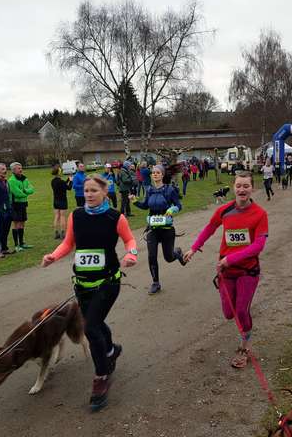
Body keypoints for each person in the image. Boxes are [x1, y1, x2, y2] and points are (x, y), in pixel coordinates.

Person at [41, 174, 138, 411]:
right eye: (86, 191)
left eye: (94, 190)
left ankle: (101, 378)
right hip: (82, 284)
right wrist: (53, 256)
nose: (89, 194)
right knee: (96, 322)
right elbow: (68, 243)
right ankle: (111, 350)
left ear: (105, 192)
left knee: (91, 327)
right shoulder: (76, 216)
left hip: (107, 283)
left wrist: (131, 254)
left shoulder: (115, 217)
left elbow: (130, 240)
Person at [183, 171, 268, 369]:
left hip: (248, 270)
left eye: (246, 186)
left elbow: (258, 246)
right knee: (229, 313)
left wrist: (231, 258)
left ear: (252, 188)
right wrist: (194, 248)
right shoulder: (224, 210)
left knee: (241, 310)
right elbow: (210, 228)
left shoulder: (260, 214)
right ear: (233, 187)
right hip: (226, 272)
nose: (242, 189)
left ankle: (244, 347)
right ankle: (243, 330)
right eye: (238, 186)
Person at [131, 165, 186, 294]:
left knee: (169, 258)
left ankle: (177, 253)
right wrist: (135, 201)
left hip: (167, 229)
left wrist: (173, 209)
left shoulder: (169, 190)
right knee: (151, 256)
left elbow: (179, 205)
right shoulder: (149, 190)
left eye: (157, 172)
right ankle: (156, 283)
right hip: (153, 229)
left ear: (162, 175)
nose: (155, 174)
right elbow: (145, 206)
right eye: (153, 173)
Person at [8, 162, 35, 251]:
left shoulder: (24, 178)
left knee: (23, 223)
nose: (21, 169)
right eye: (18, 168)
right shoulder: (11, 180)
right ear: (13, 170)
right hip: (15, 204)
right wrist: (26, 192)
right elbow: (17, 193)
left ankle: (22, 243)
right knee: (16, 224)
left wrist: (25, 191)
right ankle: (16, 245)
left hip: (23, 203)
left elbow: (32, 189)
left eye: (21, 168)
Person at [51, 166, 72, 239]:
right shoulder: (61, 182)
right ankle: (63, 233)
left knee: (56, 216)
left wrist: (68, 180)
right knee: (63, 216)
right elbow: (69, 188)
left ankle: (56, 232)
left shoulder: (53, 181)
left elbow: (63, 185)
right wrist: (71, 181)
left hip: (55, 200)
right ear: (58, 173)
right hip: (62, 200)